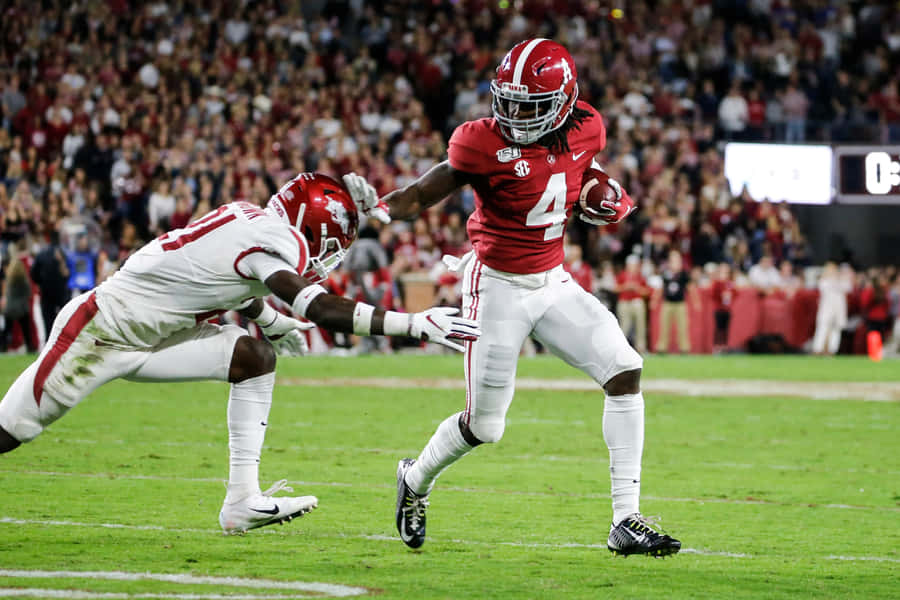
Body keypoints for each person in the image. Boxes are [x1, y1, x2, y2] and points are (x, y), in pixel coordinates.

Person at [0, 172, 481, 535]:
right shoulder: (277, 241)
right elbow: (322, 309)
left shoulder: (248, 216)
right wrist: (414, 322)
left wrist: (270, 322)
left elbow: (224, 280)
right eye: (334, 242)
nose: (329, 255)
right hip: (100, 332)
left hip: (152, 337)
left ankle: (242, 502)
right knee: (11, 430)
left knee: (253, 358)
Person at [359, 39, 680, 556]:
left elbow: (581, 173)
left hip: (551, 279)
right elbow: (420, 194)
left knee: (625, 370)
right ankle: (414, 480)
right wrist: (370, 212)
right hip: (497, 286)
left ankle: (626, 519)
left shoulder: (588, 127)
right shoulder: (480, 143)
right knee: (485, 425)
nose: (513, 115)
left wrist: (603, 195)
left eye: (527, 106)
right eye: (506, 101)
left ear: (563, 102)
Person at [29, 229, 70, 336]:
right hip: (62, 291)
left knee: (48, 320)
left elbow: (33, 274)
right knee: (65, 318)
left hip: (46, 290)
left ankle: (49, 341)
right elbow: (71, 272)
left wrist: (40, 282)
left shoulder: (42, 254)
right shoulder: (65, 253)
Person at [655, 250, 692, 354]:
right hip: (667, 303)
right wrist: (655, 299)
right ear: (670, 262)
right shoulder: (666, 273)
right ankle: (662, 347)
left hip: (680, 304)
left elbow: (690, 287)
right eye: (673, 260)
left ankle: (684, 348)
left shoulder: (684, 274)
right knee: (664, 326)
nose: (675, 263)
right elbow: (661, 288)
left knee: (682, 327)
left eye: (677, 260)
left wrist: (696, 301)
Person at [810, 262, 851, 355]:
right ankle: (818, 349)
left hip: (838, 309)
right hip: (826, 308)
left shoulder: (842, 280)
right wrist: (831, 278)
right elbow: (823, 287)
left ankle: (832, 350)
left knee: (836, 329)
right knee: (822, 327)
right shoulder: (824, 281)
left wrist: (841, 277)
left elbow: (848, 287)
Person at [615, 255, 649, 354]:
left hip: (636, 301)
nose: (632, 267)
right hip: (624, 301)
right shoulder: (622, 275)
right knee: (624, 325)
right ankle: (620, 348)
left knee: (640, 325)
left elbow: (646, 292)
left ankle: (641, 348)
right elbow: (615, 288)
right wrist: (625, 287)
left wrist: (637, 288)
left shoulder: (640, 276)